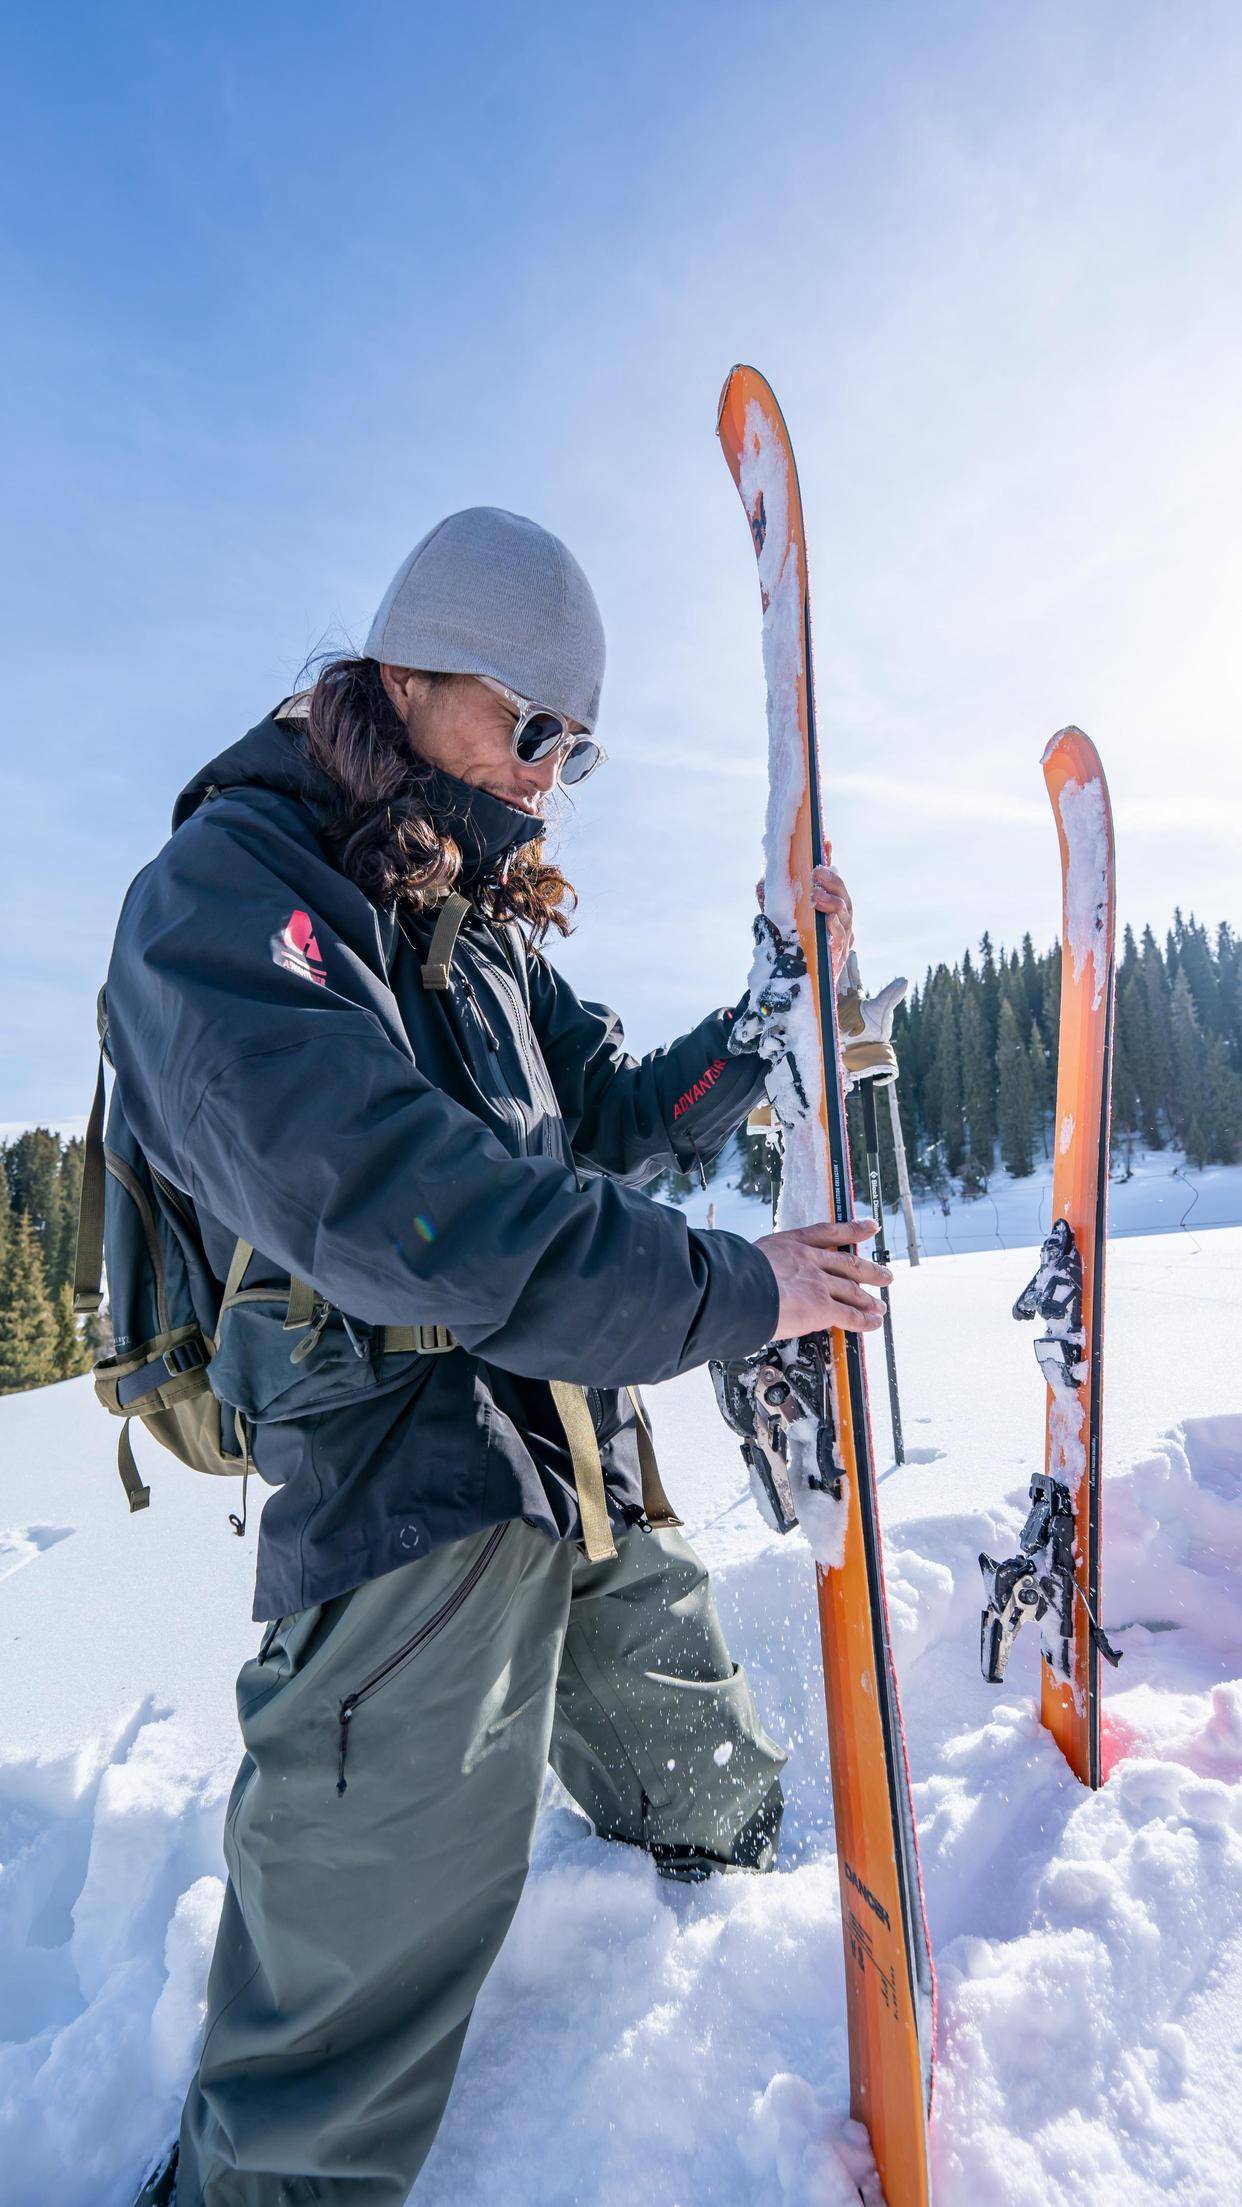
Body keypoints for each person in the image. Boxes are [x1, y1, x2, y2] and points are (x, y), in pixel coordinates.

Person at [119, 507, 888, 2206]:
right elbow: (411, 1207)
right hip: (411, 1496)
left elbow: (603, 1115)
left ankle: (703, 1938)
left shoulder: (473, 932)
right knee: (335, 2028)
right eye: (529, 725)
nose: (549, 772)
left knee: (703, 1786)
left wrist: (767, 1020)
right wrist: (737, 1293)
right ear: (404, 678)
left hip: (574, 1452)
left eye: (578, 747)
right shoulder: (232, 899)